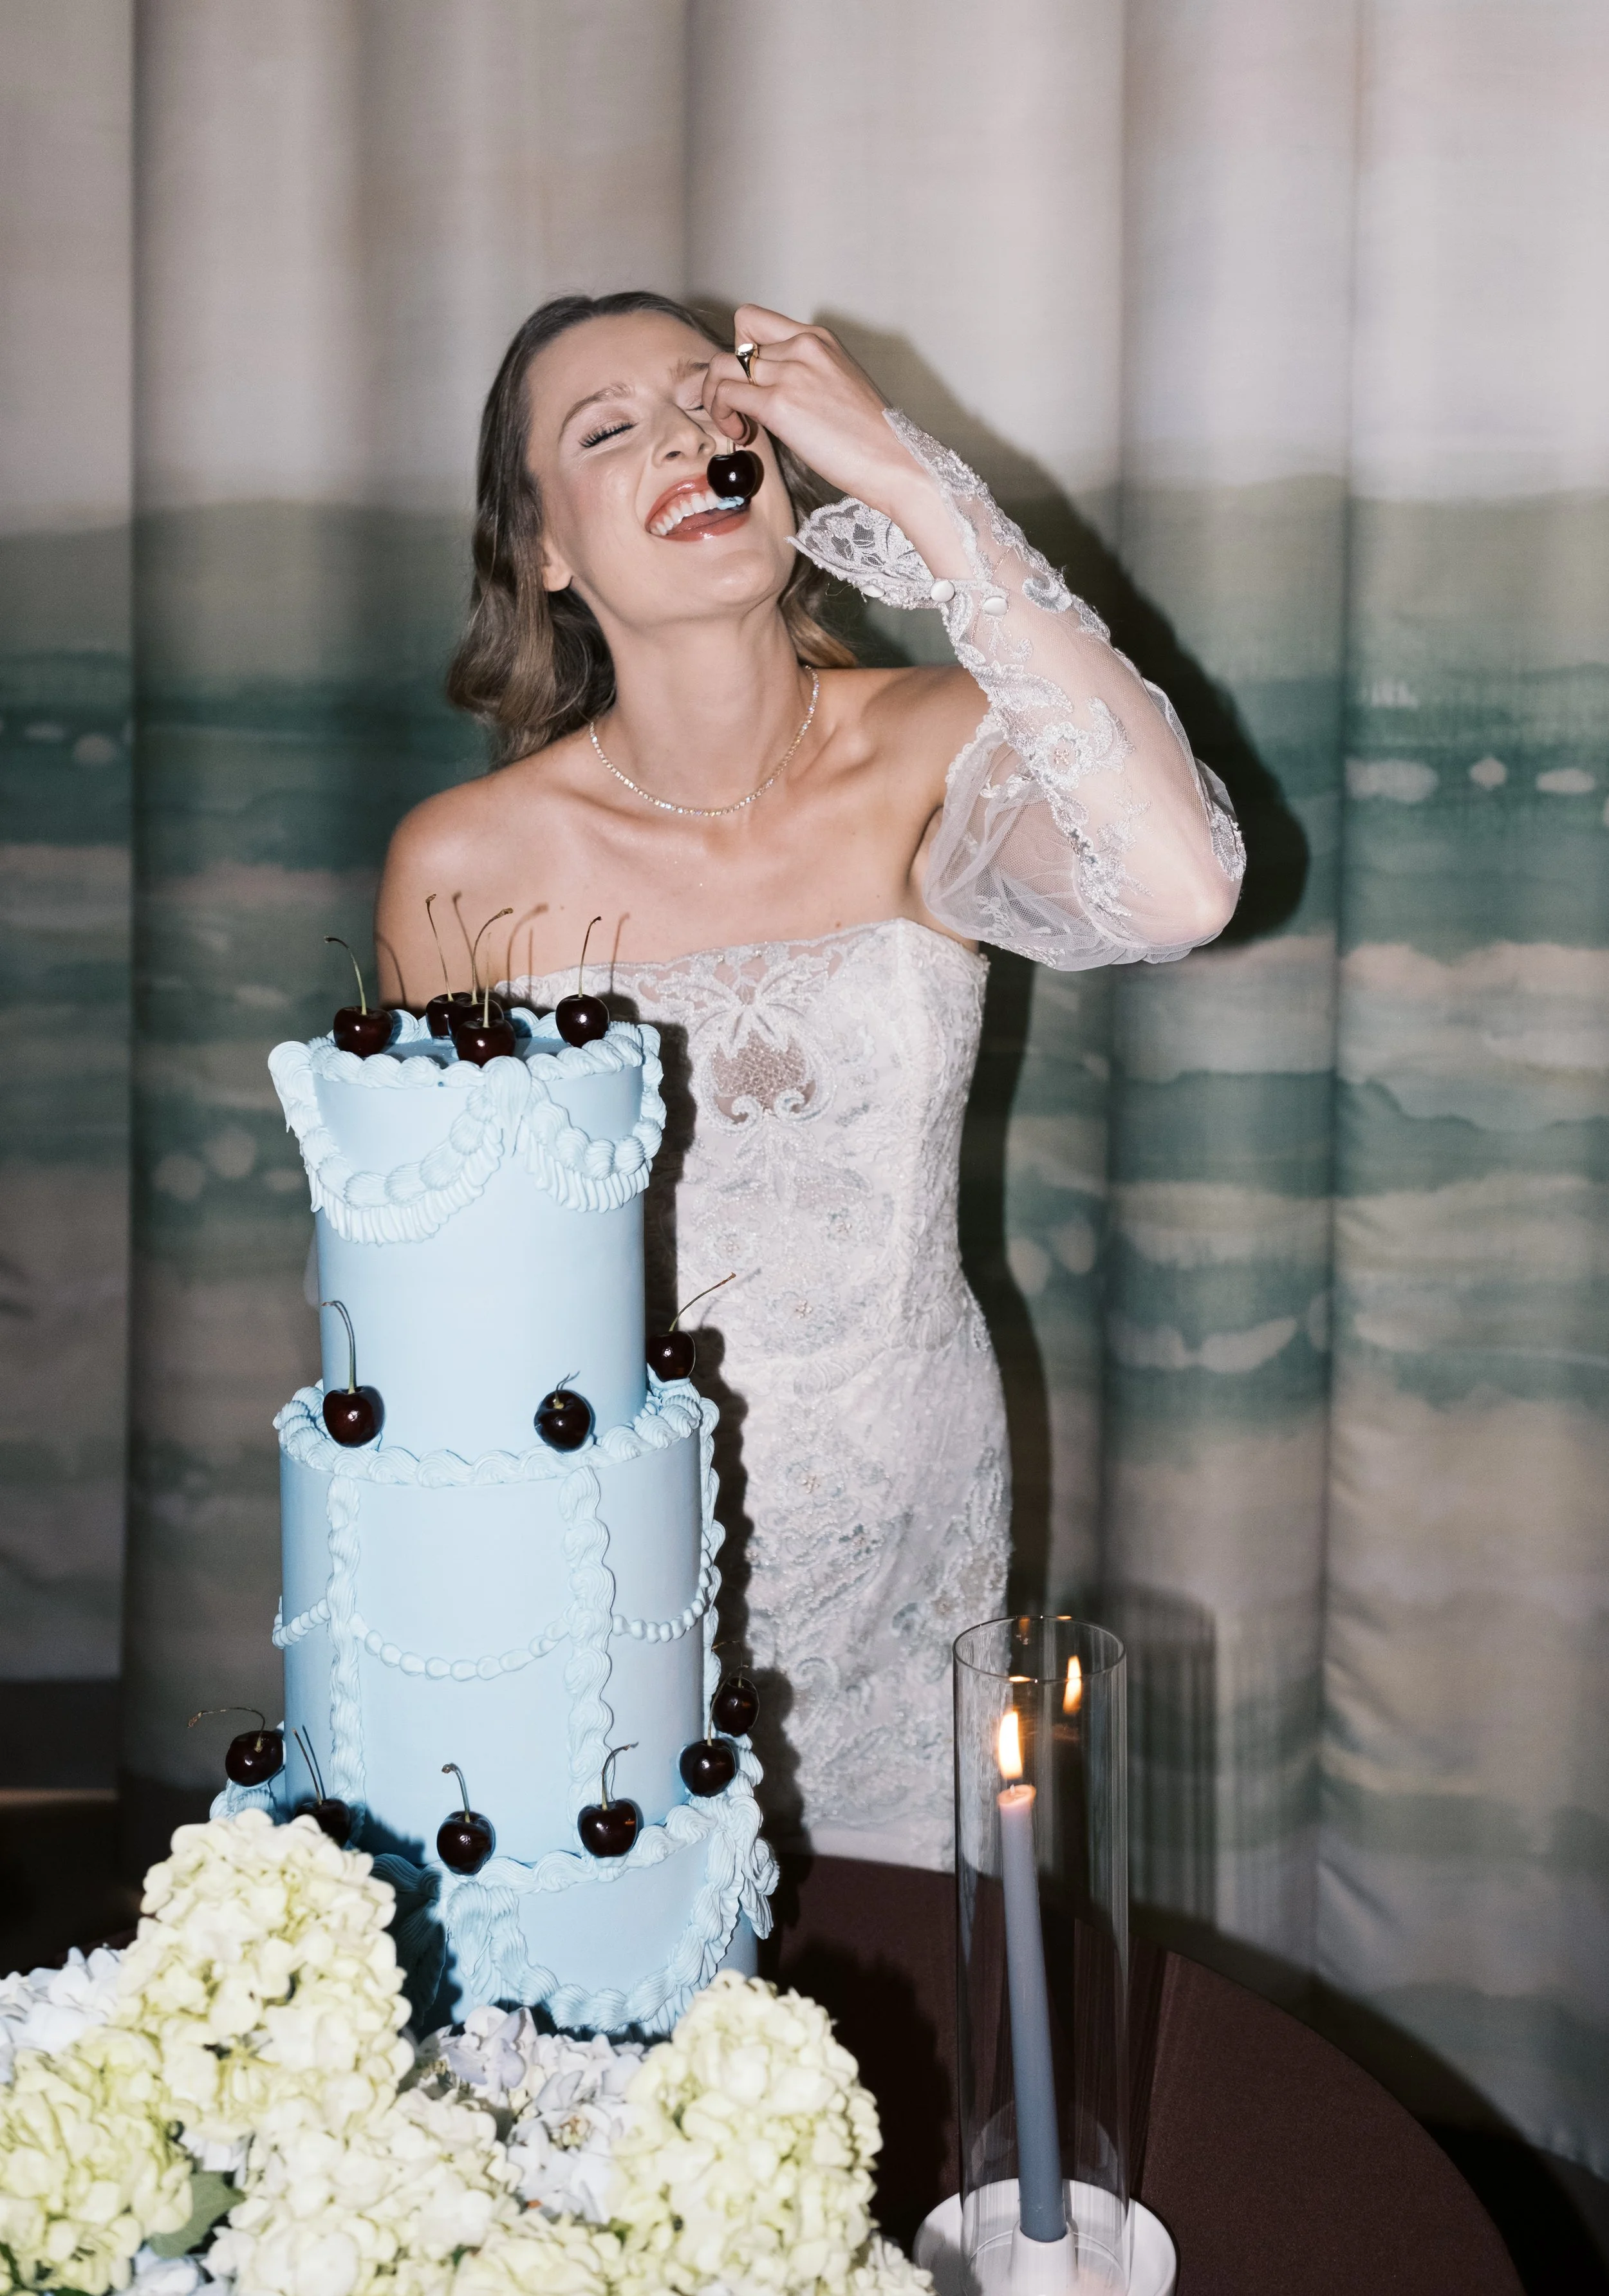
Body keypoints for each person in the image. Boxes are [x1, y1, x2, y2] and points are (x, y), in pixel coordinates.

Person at [375, 290, 1243, 1869]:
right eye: (608, 427)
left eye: (713, 405)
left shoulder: (931, 747)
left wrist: (918, 488)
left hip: (912, 1519)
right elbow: (449, 1313)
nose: (685, 439)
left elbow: (1177, 890)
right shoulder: (465, 863)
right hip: (609, 1558)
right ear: (543, 551)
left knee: (914, 2009)